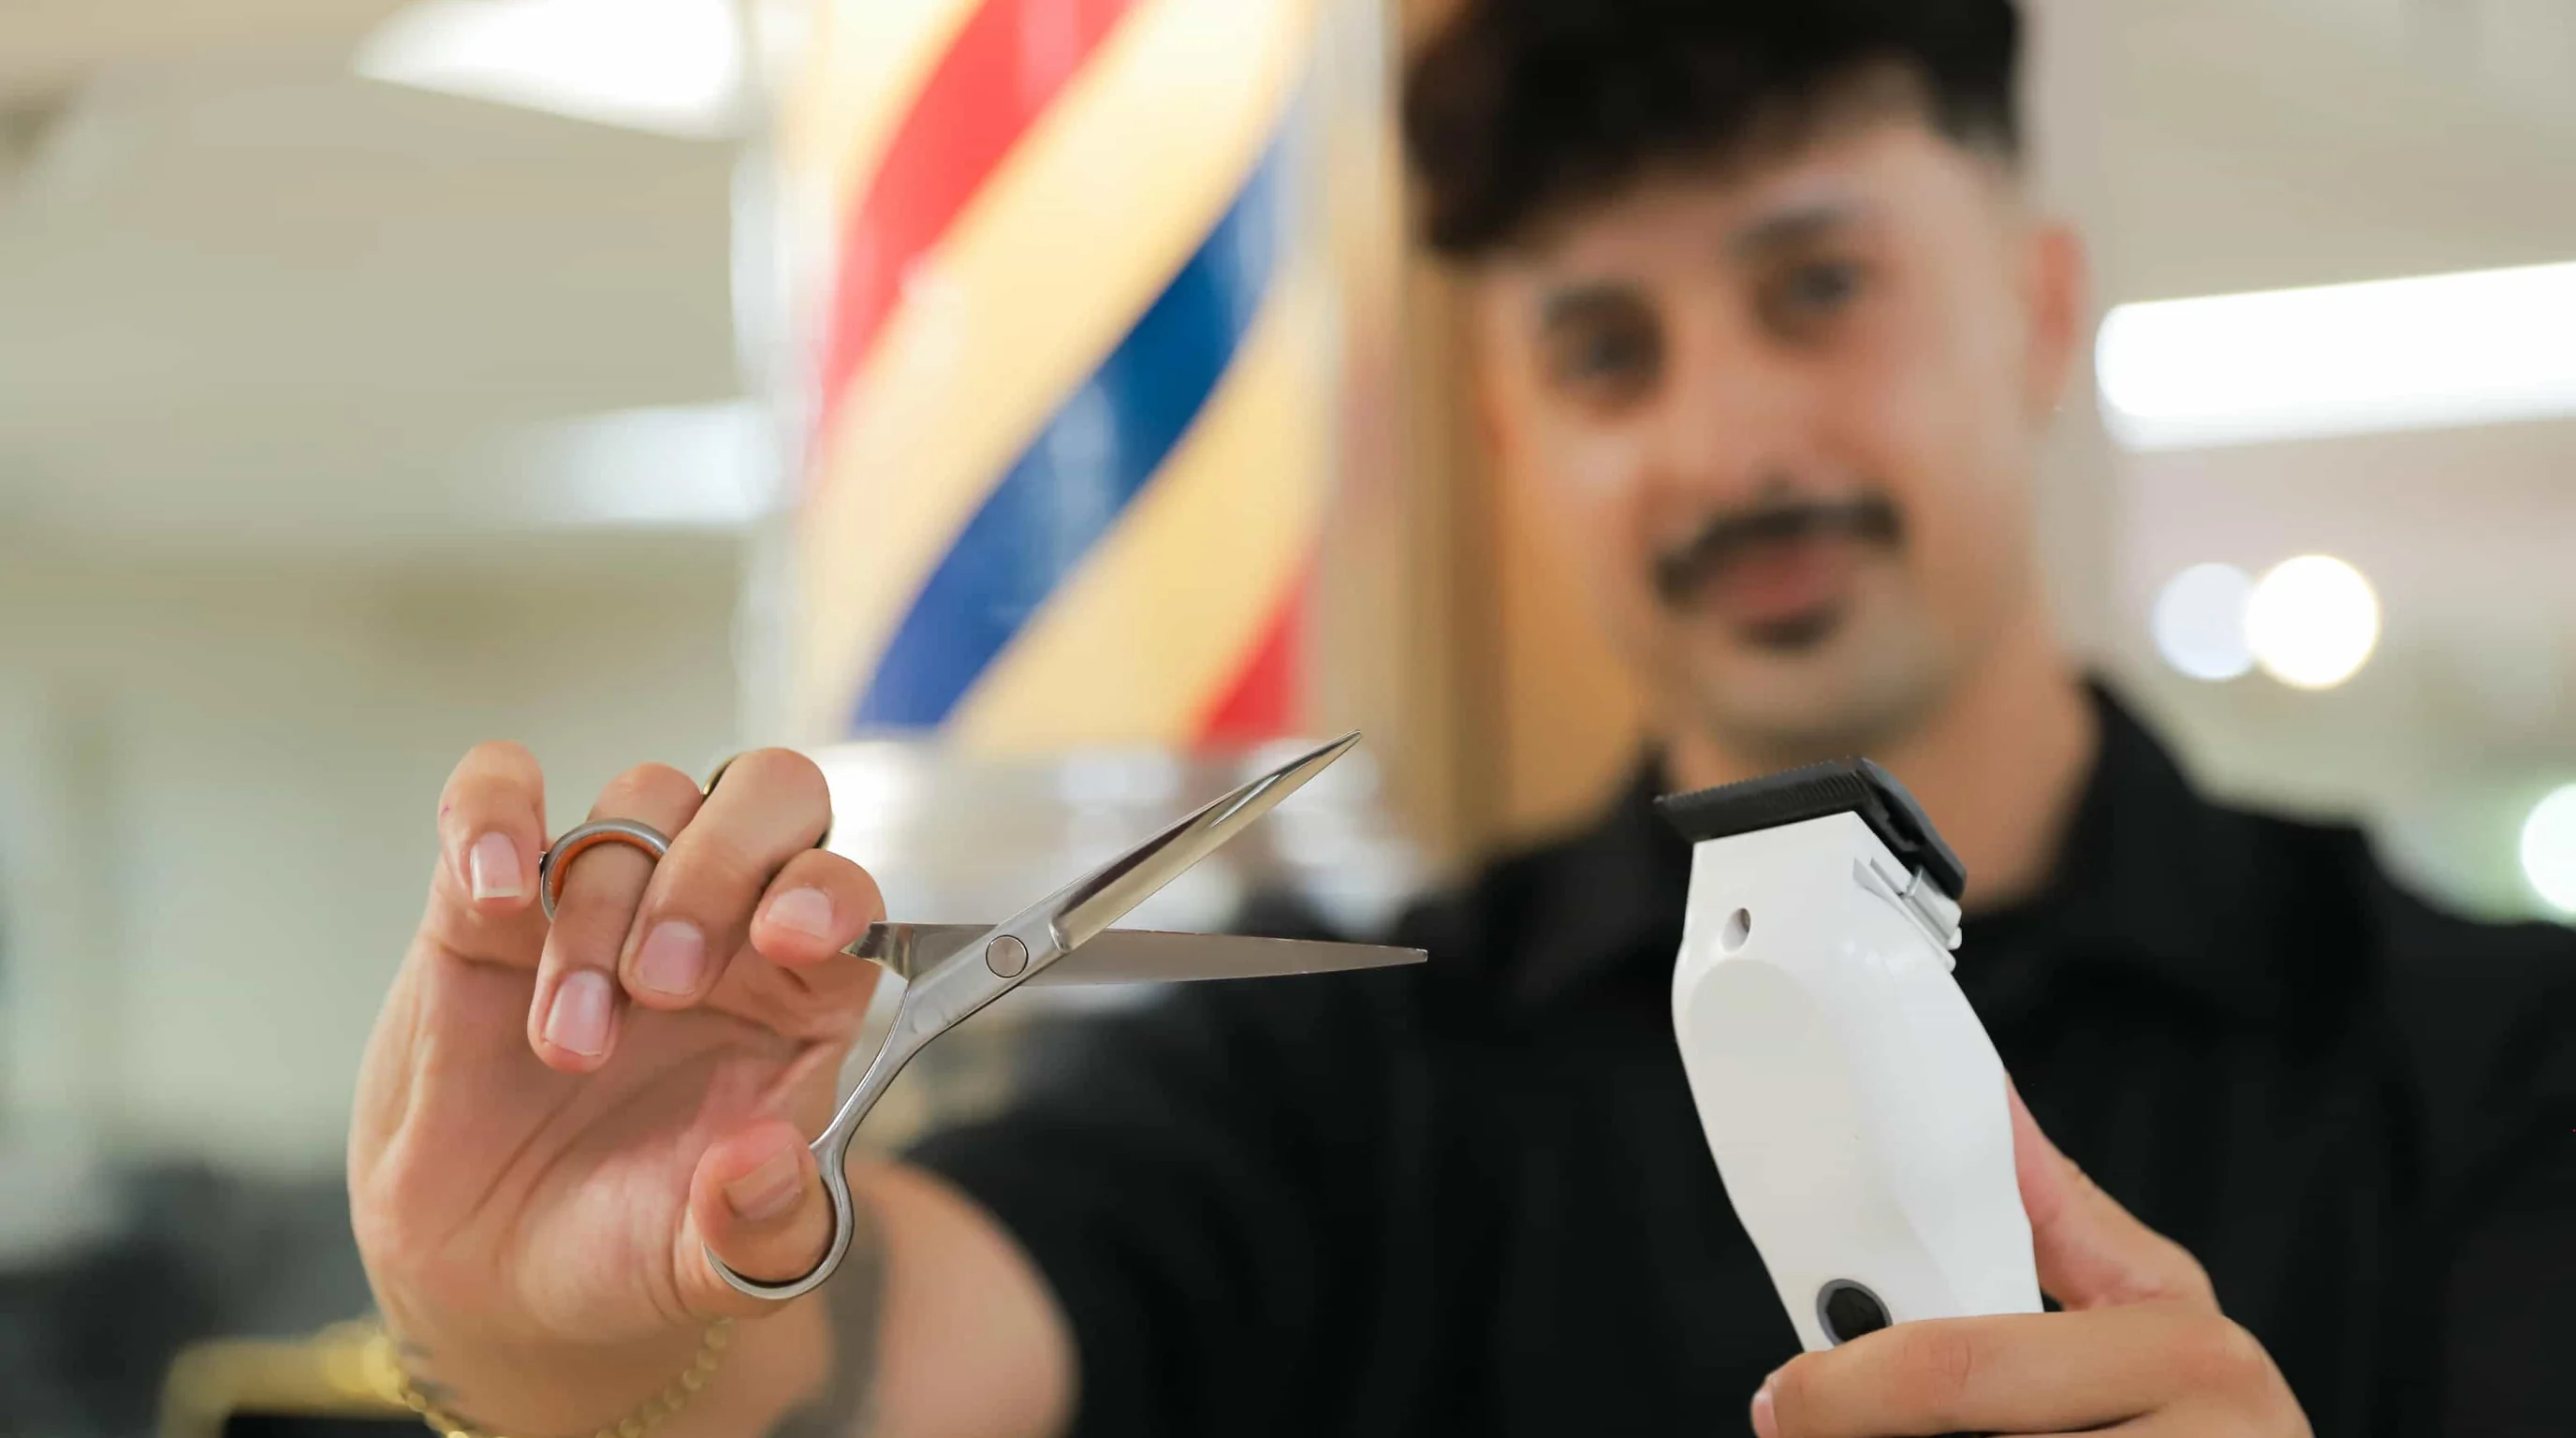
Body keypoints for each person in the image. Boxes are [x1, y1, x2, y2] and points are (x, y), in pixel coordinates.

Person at [346, 3, 2576, 1435]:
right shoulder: (1328, 1080)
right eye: (1605, 352)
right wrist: (582, 1320)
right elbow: (885, 1361)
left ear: (2033, 310)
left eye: (1815, 290)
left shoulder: (2502, 1069)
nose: (1721, 441)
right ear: (1517, 432)